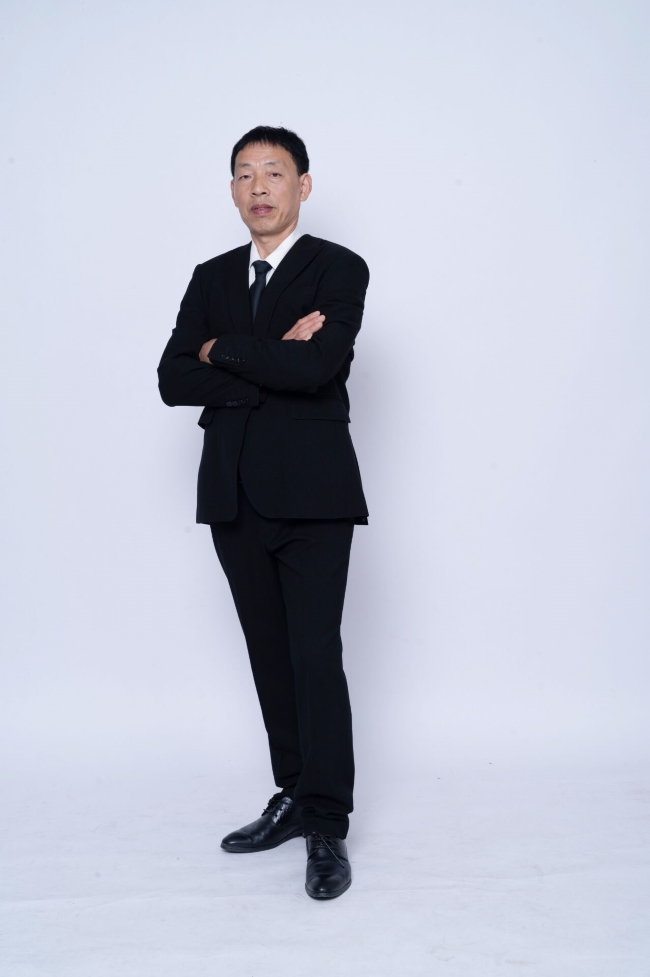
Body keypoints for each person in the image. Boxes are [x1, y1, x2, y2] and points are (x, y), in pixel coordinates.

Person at [157, 125, 370, 900]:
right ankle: (292, 792)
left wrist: (220, 349)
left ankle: (326, 821)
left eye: (274, 173)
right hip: (234, 493)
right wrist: (268, 356)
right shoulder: (211, 275)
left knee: (314, 655)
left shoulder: (337, 267)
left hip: (314, 494)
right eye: (245, 174)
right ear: (232, 189)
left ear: (302, 185)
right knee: (269, 655)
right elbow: (172, 379)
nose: (259, 187)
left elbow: (318, 366)